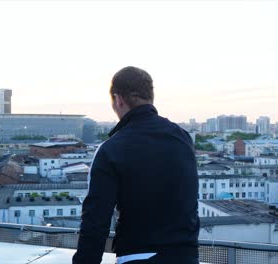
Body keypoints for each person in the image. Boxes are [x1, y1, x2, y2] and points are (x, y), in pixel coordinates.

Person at [72, 66, 200, 264]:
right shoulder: (183, 138)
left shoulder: (111, 149)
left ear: (118, 99)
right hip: (186, 256)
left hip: (138, 256)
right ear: (150, 97)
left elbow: (95, 222)